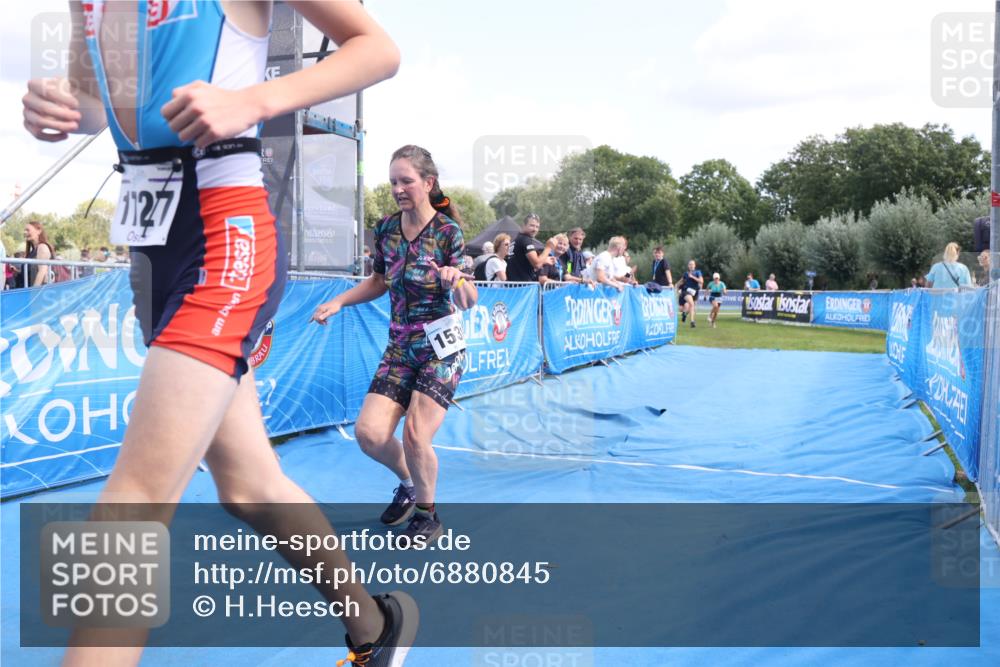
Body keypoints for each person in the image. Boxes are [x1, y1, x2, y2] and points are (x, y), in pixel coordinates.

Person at [23, 2, 411, 665]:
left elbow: (376, 47)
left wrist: (252, 101)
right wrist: (58, 107)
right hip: (154, 246)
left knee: (133, 505)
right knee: (248, 485)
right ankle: (373, 621)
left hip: (225, 228)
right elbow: (99, 98)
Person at [312, 145, 477, 548]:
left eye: (406, 181)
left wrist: (456, 279)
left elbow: (470, 299)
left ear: (428, 183)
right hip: (400, 348)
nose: (398, 189)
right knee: (368, 434)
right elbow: (378, 282)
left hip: (441, 348)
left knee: (416, 435)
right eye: (393, 182)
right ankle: (409, 485)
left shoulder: (447, 232)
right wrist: (339, 301)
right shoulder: (385, 229)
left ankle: (427, 513)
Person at [505, 214, 549, 282]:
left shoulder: (517, 239)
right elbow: (537, 265)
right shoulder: (525, 240)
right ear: (523, 225)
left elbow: (521, 263)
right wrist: (548, 247)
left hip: (514, 285)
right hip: (523, 288)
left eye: (537, 227)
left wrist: (544, 260)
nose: (535, 229)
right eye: (532, 225)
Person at [24, 220, 53, 287]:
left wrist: (34, 292)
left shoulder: (42, 247)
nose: (25, 232)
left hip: (37, 293)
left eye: (28, 230)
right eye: (25, 230)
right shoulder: (32, 251)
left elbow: (42, 271)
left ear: (39, 231)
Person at [677, 260, 704, 327]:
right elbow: (680, 282)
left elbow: (701, 281)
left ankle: (685, 314)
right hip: (686, 291)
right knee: (691, 304)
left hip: (695, 292)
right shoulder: (686, 274)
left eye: (692, 264)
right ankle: (692, 322)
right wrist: (676, 288)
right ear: (688, 266)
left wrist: (692, 277)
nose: (691, 266)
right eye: (690, 264)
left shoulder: (698, 272)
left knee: (691, 307)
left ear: (695, 265)